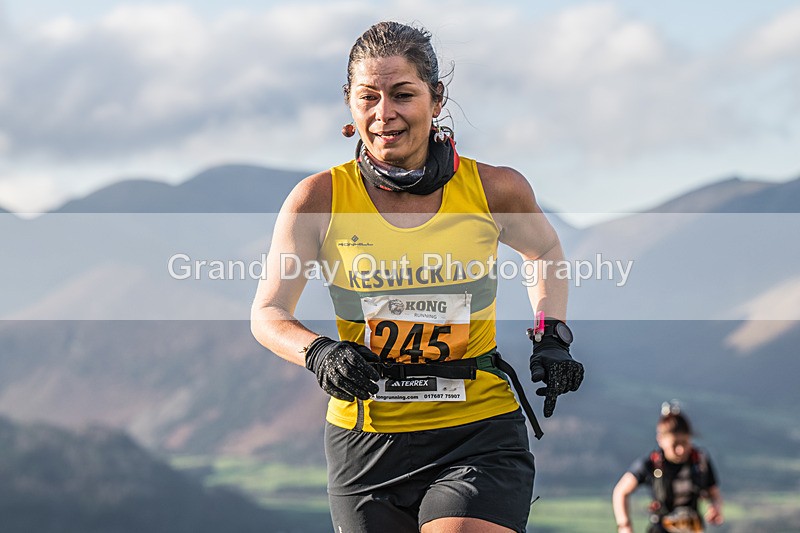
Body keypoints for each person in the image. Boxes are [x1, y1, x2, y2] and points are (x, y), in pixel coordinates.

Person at [251, 21, 584, 533]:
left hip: (476, 431)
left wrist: (551, 335)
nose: (385, 114)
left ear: (436, 98)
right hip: (366, 441)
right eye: (368, 98)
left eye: (403, 94)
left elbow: (544, 250)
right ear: (349, 105)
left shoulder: (495, 189)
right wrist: (320, 353)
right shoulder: (317, 200)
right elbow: (269, 313)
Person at [612, 402, 724, 533]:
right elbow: (621, 491)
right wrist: (624, 525)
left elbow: (714, 493)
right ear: (660, 440)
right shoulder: (650, 464)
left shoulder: (699, 461)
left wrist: (715, 508)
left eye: (685, 443)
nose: (681, 450)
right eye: (675, 444)